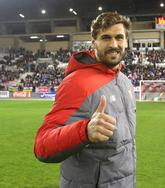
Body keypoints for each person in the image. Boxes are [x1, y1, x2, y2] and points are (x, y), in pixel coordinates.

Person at [34, 12, 136, 188]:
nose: (114, 44)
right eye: (106, 38)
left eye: (119, 37)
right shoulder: (76, 83)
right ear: (93, 42)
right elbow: (42, 146)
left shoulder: (124, 81)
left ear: (126, 41)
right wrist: (84, 131)